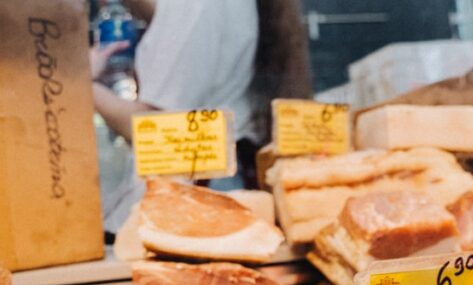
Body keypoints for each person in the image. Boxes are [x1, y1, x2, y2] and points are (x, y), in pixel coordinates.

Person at [91, 0, 310, 233]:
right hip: (226, 177)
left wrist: (80, 78)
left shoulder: (191, 6)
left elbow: (149, 129)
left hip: (197, 192)